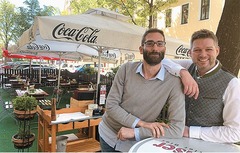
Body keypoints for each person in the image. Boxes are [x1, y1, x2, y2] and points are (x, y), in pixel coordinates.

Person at [98, 28, 187, 152]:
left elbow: (176, 129)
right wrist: (142, 124)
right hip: (108, 134)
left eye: (160, 44)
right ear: (141, 49)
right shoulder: (125, 69)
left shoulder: (173, 82)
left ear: (164, 49)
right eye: (150, 43)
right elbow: (111, 106)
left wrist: (137, 132)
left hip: (135, 143)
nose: (155, 48)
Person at [165, 29, 240, 143]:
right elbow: (161, 62)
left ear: (217, 51)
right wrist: (183, 73)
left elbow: (235, 133)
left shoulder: (232, 83)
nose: (203, 55)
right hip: (177, 142)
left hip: (210, 146)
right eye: (197, 50)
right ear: (190, 53)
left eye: (208, 49)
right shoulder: (187, 67)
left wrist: (190, 132)